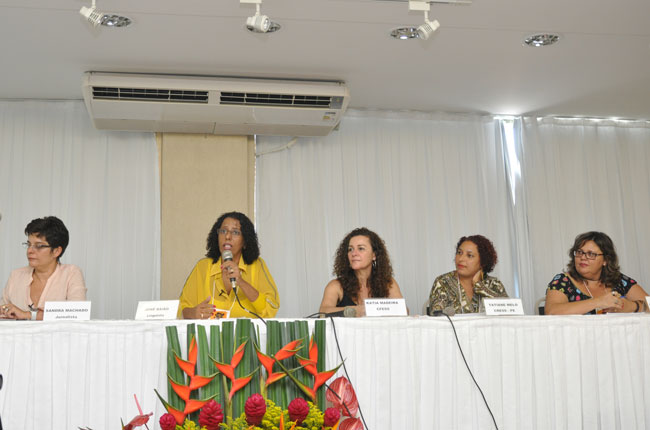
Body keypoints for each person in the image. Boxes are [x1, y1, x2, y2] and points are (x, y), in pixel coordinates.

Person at [178, 211, 280, 319]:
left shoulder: (257, 265)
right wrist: (193, 313)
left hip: (246, 336)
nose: (227, 236)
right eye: (223, 231)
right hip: (210, 336)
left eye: (235, 232)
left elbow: (271, 308)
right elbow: (181, 308)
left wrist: (241, 282)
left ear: (245, 242)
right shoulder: (203, 267)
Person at [0, 216, 86, 320]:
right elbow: (3, 312)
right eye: (29, 244)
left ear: (56, 251)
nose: (29, 251)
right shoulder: (16, 275)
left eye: (39, 246)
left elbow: (78, 314)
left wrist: (27, 315)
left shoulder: (71, 273)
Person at [545, 231, 648, 315]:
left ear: (605, 260)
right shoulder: (562, 281)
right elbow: (552, 311)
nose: (583, 257)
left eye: (591, 254)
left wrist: (631, 306)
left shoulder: (620, 280)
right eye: (580, 252)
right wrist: (599, 302)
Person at [319, 227, 405, 317]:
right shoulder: (335, 285)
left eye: (361, 248)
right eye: (350, 249)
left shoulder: (388, 283)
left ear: (374, 255)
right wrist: (356, 310)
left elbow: (403, 311)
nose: (354, 253)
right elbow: (323, 312)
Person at [427, 235, 508, 315]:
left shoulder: (494, 284)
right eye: (459, 253)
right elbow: (437, 316)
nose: (461, 258)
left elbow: (509, 312)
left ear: (483, 262)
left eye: (469, 255)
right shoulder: (443, 282)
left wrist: (479, 286)